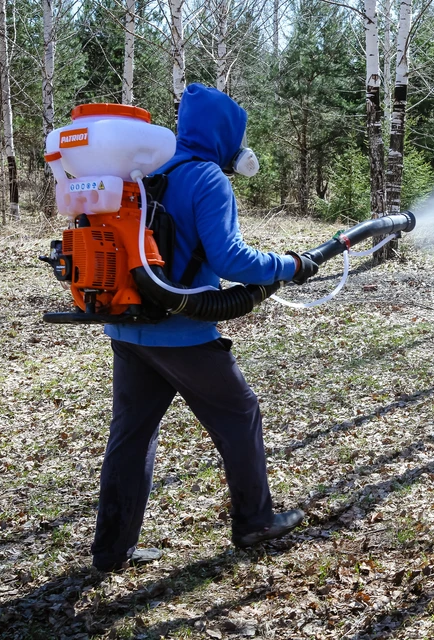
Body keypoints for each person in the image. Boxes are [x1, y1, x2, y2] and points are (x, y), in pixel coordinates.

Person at [91, 83, 318, 572]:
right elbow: (231, 259)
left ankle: (112, 550)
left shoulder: (152, 170)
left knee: (131, 437)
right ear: (224, 135)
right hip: (183, 333)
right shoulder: (208, 177)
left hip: (130, 329)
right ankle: (256, 520)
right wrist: (288, 265)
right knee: (239, 414)